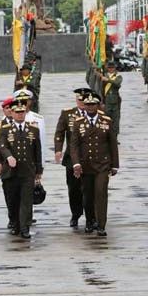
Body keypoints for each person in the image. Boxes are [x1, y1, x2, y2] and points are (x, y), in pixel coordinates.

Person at [71, 92, 119, 236]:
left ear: (98, 106)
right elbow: (74, 145)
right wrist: (76, 164)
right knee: (88, 195)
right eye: (88, 105)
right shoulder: (78, 122)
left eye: (93, 105)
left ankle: (101, 224)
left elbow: (112, 144)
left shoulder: (106, 121)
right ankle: (90, 221)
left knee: (101, 193)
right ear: (84, 106)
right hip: (86, 165)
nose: (90, 107)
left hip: (102, 165)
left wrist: (115, 164)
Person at [0, 99, 43, 239]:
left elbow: (37, 151)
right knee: (13, 200)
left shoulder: (33, 129)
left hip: (27, 171)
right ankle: (16, 224)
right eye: (17, 112)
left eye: (22, 112)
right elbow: (2, 146)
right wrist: (9, 157)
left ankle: (25, 228)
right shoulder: (5, 130)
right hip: (11, 172)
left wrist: (39, 170)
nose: (19, 115)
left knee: (26, 200)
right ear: (12, 113)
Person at [54, 88, 89, 228]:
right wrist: (58, 150)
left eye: (83, 100)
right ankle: (75, 214)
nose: (81, 103)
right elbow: (60, 132)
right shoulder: (68, 114)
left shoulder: (94, 112)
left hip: (89, 157)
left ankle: (90, 216)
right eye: (79, 100)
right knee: (73, 188)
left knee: (88, 188)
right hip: (71, 157)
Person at [0, 97, 15, 228]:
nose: (10, 110)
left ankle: (23, 218)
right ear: (3, 110)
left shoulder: (23, 122)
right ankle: (12, 217)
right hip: (6, 165)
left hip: (22, 163)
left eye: (12, 108)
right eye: (7, 108)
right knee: (9, 193)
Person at [13, 89, 47, 163]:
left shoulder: (38, 119)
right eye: (20, 100)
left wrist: (41, 164)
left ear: (30, 101)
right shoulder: (10, 118)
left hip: (31, 161)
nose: (23, 103)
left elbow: (41, 142)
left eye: (26, 100)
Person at [98, 61, 122, 136]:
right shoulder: (103, 76)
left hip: (115, 101)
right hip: (106, 101)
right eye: (109, 68)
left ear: (115, 68)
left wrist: (107, 80)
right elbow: (101, 89)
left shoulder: (118, 76)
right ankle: (106, 136)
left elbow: (117, 83)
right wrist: (101, 101)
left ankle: (115, 137)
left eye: (112, 68)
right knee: (106, 119)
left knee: (115, 120)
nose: (111, 69)